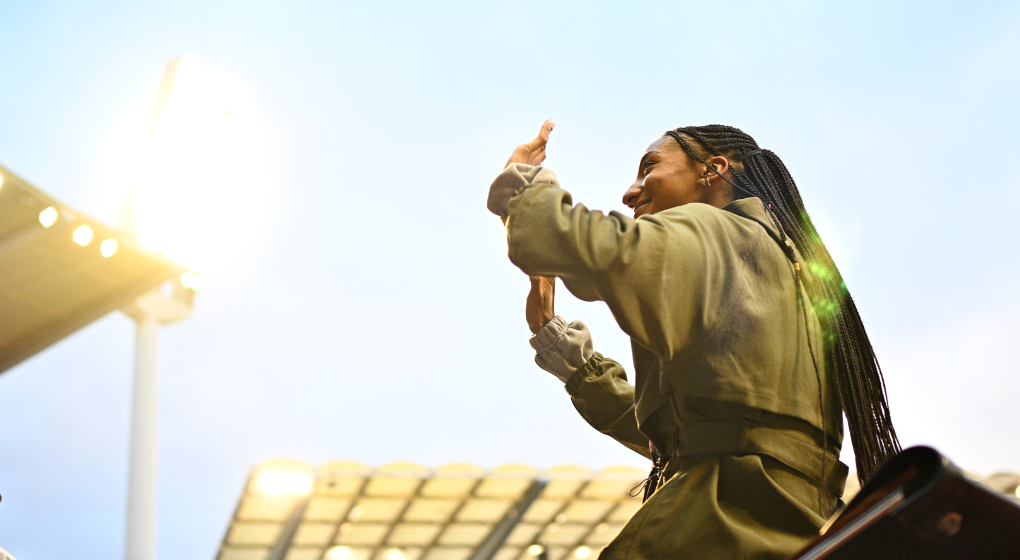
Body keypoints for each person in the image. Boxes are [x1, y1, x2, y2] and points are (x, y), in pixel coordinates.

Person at [486, 122, 900, 560]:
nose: (630, 192)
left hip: (707, 527)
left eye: (649, 167)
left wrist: (522, 185)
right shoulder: (793, 274)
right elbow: (696, 430)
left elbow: (577, 241)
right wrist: (568, 356)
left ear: (713, 169)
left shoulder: (718, 231)